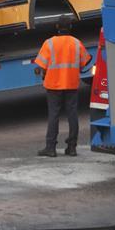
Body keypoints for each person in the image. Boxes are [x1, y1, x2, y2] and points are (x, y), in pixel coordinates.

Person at [33, 15, 92, 157]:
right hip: (71, 84)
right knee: (72, 115)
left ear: (57, 27)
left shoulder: (49, 43)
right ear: (70, 27)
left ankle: (50, 148)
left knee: (54, 115)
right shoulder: (77, 43)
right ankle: (72, 148)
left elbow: (40, 65)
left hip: (53, 85)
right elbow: (85, 62)